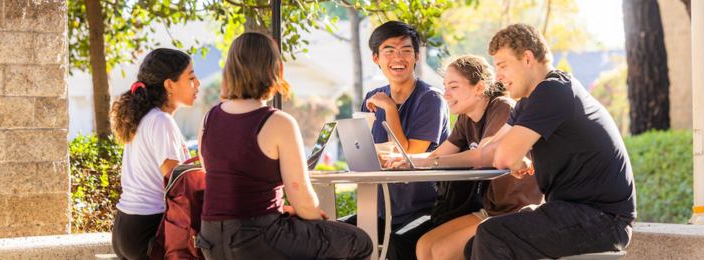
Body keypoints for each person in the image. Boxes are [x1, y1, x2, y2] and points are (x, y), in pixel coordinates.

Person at [196, 32, 373, 260]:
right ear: (273, 70)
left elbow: (213, 173)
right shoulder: (278, 121)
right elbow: (301, 197)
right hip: (258, 238)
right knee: (359, 242)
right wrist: (319, 227)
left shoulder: (209, 119)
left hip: (210, 240)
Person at [467, 23, 636, 259]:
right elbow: (489, 151)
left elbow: (503, 157)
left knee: (492, 235)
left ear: (527, 58)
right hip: (573, 212)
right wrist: (425, 162)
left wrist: (514, 158)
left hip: (603, 218)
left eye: (503, 66)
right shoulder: (529, 101)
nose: (498, 77)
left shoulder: (554, 90)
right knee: (473, 245)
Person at [380, 54, 541, 260]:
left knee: (441, 251)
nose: (446, 94)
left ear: (479, 88)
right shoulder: (466, 117)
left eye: (454, 87)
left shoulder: (502, 107)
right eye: (445, 86)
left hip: (516, 213)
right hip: (491, 210)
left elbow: (481, 157)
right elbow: (438, 154)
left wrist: (419, 162)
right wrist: (399, 158)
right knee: (424, 245)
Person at [339, 20, 450, 260]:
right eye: (389, 50)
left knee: (396, 244)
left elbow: (405, 156)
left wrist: (390, 108)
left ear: (417, 56)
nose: (398, 58)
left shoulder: (431, 99)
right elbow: (363, 152)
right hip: (380, 210)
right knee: (336, 233)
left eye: (406, 50)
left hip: (424, 209)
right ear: (376, 58)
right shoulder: (372, 97)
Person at [110, 48, 201, 260]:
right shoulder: (161, 120)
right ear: (169, 85)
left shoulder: (144, 117)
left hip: (125, 229)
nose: (198, 83)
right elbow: (177, 185)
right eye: (191, 77)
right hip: (149, 230)